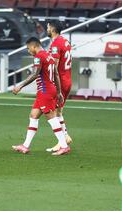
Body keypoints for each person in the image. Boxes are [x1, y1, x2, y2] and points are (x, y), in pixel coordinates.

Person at [12, 37, 70, 156]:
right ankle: (25, 146)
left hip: (45, 92)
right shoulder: (49, 56)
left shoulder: (39, 56)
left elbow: (35, 74)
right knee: (33, 116)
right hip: (48, 90)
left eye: (28, 48)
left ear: (34, 46)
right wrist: (58, 92)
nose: (29, 51)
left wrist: (20, 86)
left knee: (52, 118)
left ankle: (64, 146)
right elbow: (56, 75)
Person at [46, 20, 73, 153]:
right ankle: (65, 137)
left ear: (52, 29)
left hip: (60, 81)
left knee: (53, 112)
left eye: (48, 27)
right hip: (67, 79)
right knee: (59, 111)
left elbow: (54, 66)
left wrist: (49, 81)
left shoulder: (56, 44)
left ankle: (62, 141)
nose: (47, 29)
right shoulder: (65, 41)